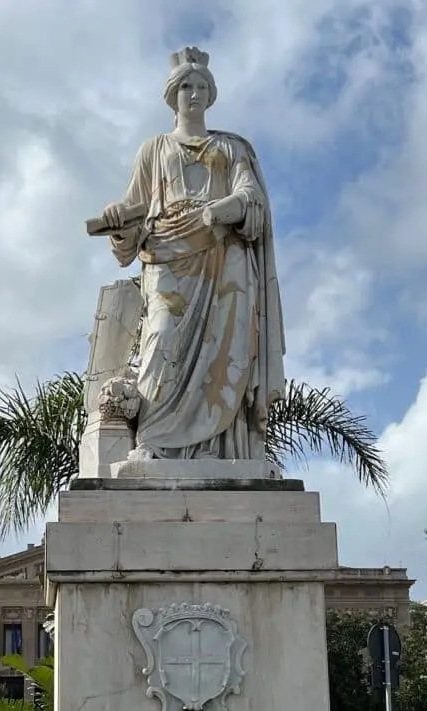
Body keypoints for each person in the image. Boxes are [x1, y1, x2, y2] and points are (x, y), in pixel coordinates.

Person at [99, 46, 286, 462]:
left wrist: (219, 210)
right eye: (186, 85)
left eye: (202, 85)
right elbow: (133, 215)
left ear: (211, 93)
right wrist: (118, 224)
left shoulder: (233, 147)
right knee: (162, 337)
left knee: (225, 352)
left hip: (225, 259)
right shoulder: (154, 150)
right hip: (167, 256)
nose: (195, 93)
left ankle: (217, 446)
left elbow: (251, 198)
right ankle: (153, 438)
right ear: (172, 94)